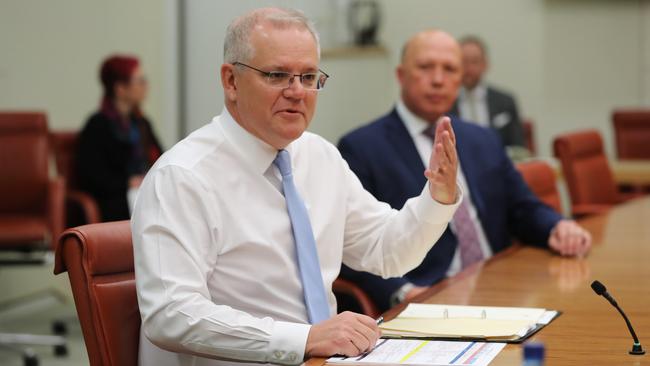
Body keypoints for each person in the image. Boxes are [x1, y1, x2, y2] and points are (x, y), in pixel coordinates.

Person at [132, 8, 461, 366]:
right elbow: (171, 314)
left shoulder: (319, 156)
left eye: (308, 77)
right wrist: (303, 339)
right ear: (230, 81)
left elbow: (387, 251)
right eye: (277, 75)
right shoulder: (182, 176)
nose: (297, 92)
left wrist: (437, 199)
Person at [337, 30, 592, 313]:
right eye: (425, 67)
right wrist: (401, 291)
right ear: (400, 75)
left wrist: (557, 226)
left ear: (461, 79)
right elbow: (352, 243)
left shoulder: (482, 139)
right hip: (430, 293)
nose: (437, 79)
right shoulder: (362, 147)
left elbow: (522, 207)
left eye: (449, 69)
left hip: (499, 281)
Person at [77, 55, 162, 222]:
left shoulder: (141, 123)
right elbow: (92, 176)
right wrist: (128, 182)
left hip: (144, 191)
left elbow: (161, 158)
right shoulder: (97, 126)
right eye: (139, 81)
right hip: (115, 201)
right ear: (120, 88)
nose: (145, 86)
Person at [449, 35, 525, 149]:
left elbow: (518, 148)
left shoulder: (505, 102)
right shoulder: (445, 102)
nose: (468, 68)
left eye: (474, 62)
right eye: (464, 62)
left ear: (485, 64)